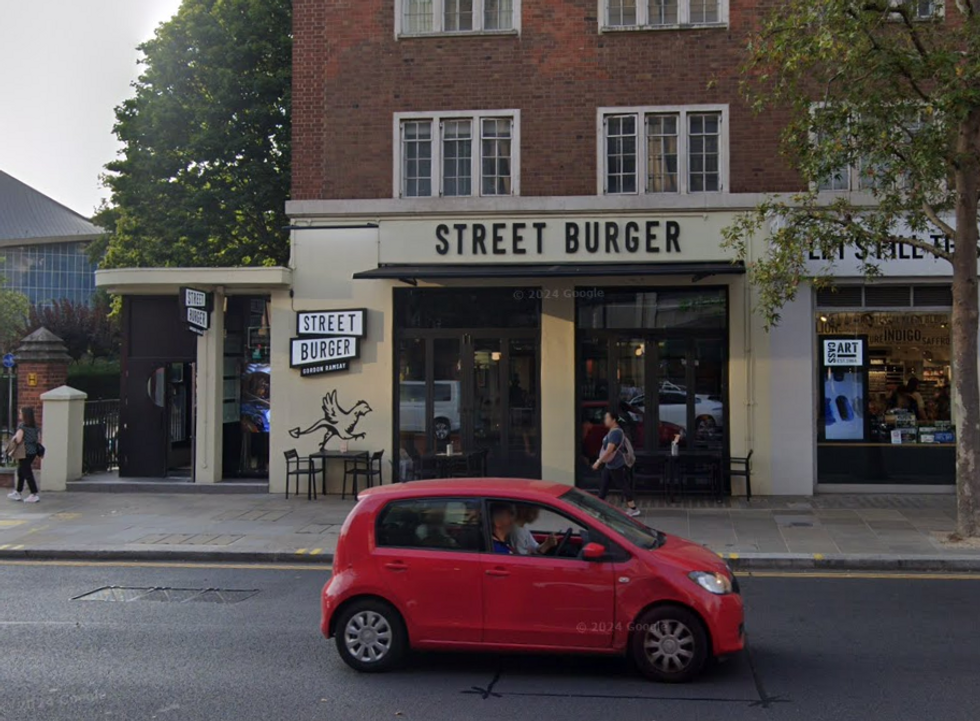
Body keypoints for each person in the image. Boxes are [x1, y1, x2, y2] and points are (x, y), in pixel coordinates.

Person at [592, 409, 641, 517]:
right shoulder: (613, 431)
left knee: (622, 485)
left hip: (616, 465)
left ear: (613, 420)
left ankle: (633, 508)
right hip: (610, 465)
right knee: (604, 486)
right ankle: (598, 509)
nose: (605, 420)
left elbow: (610, 449)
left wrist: (598, 461)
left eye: (607, 418)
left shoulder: (616, 432)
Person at [6, 407, 41, 503]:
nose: (19, 415)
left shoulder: (22, 427)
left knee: (27, 473)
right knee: (21, 471)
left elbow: (18, 440)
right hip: (32, 452)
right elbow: (38, 439)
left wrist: (14, 437)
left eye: (21, 413)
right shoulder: (36, 427)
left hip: (23, 452)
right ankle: (18, 492)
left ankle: (33, 494)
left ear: (25, 415)